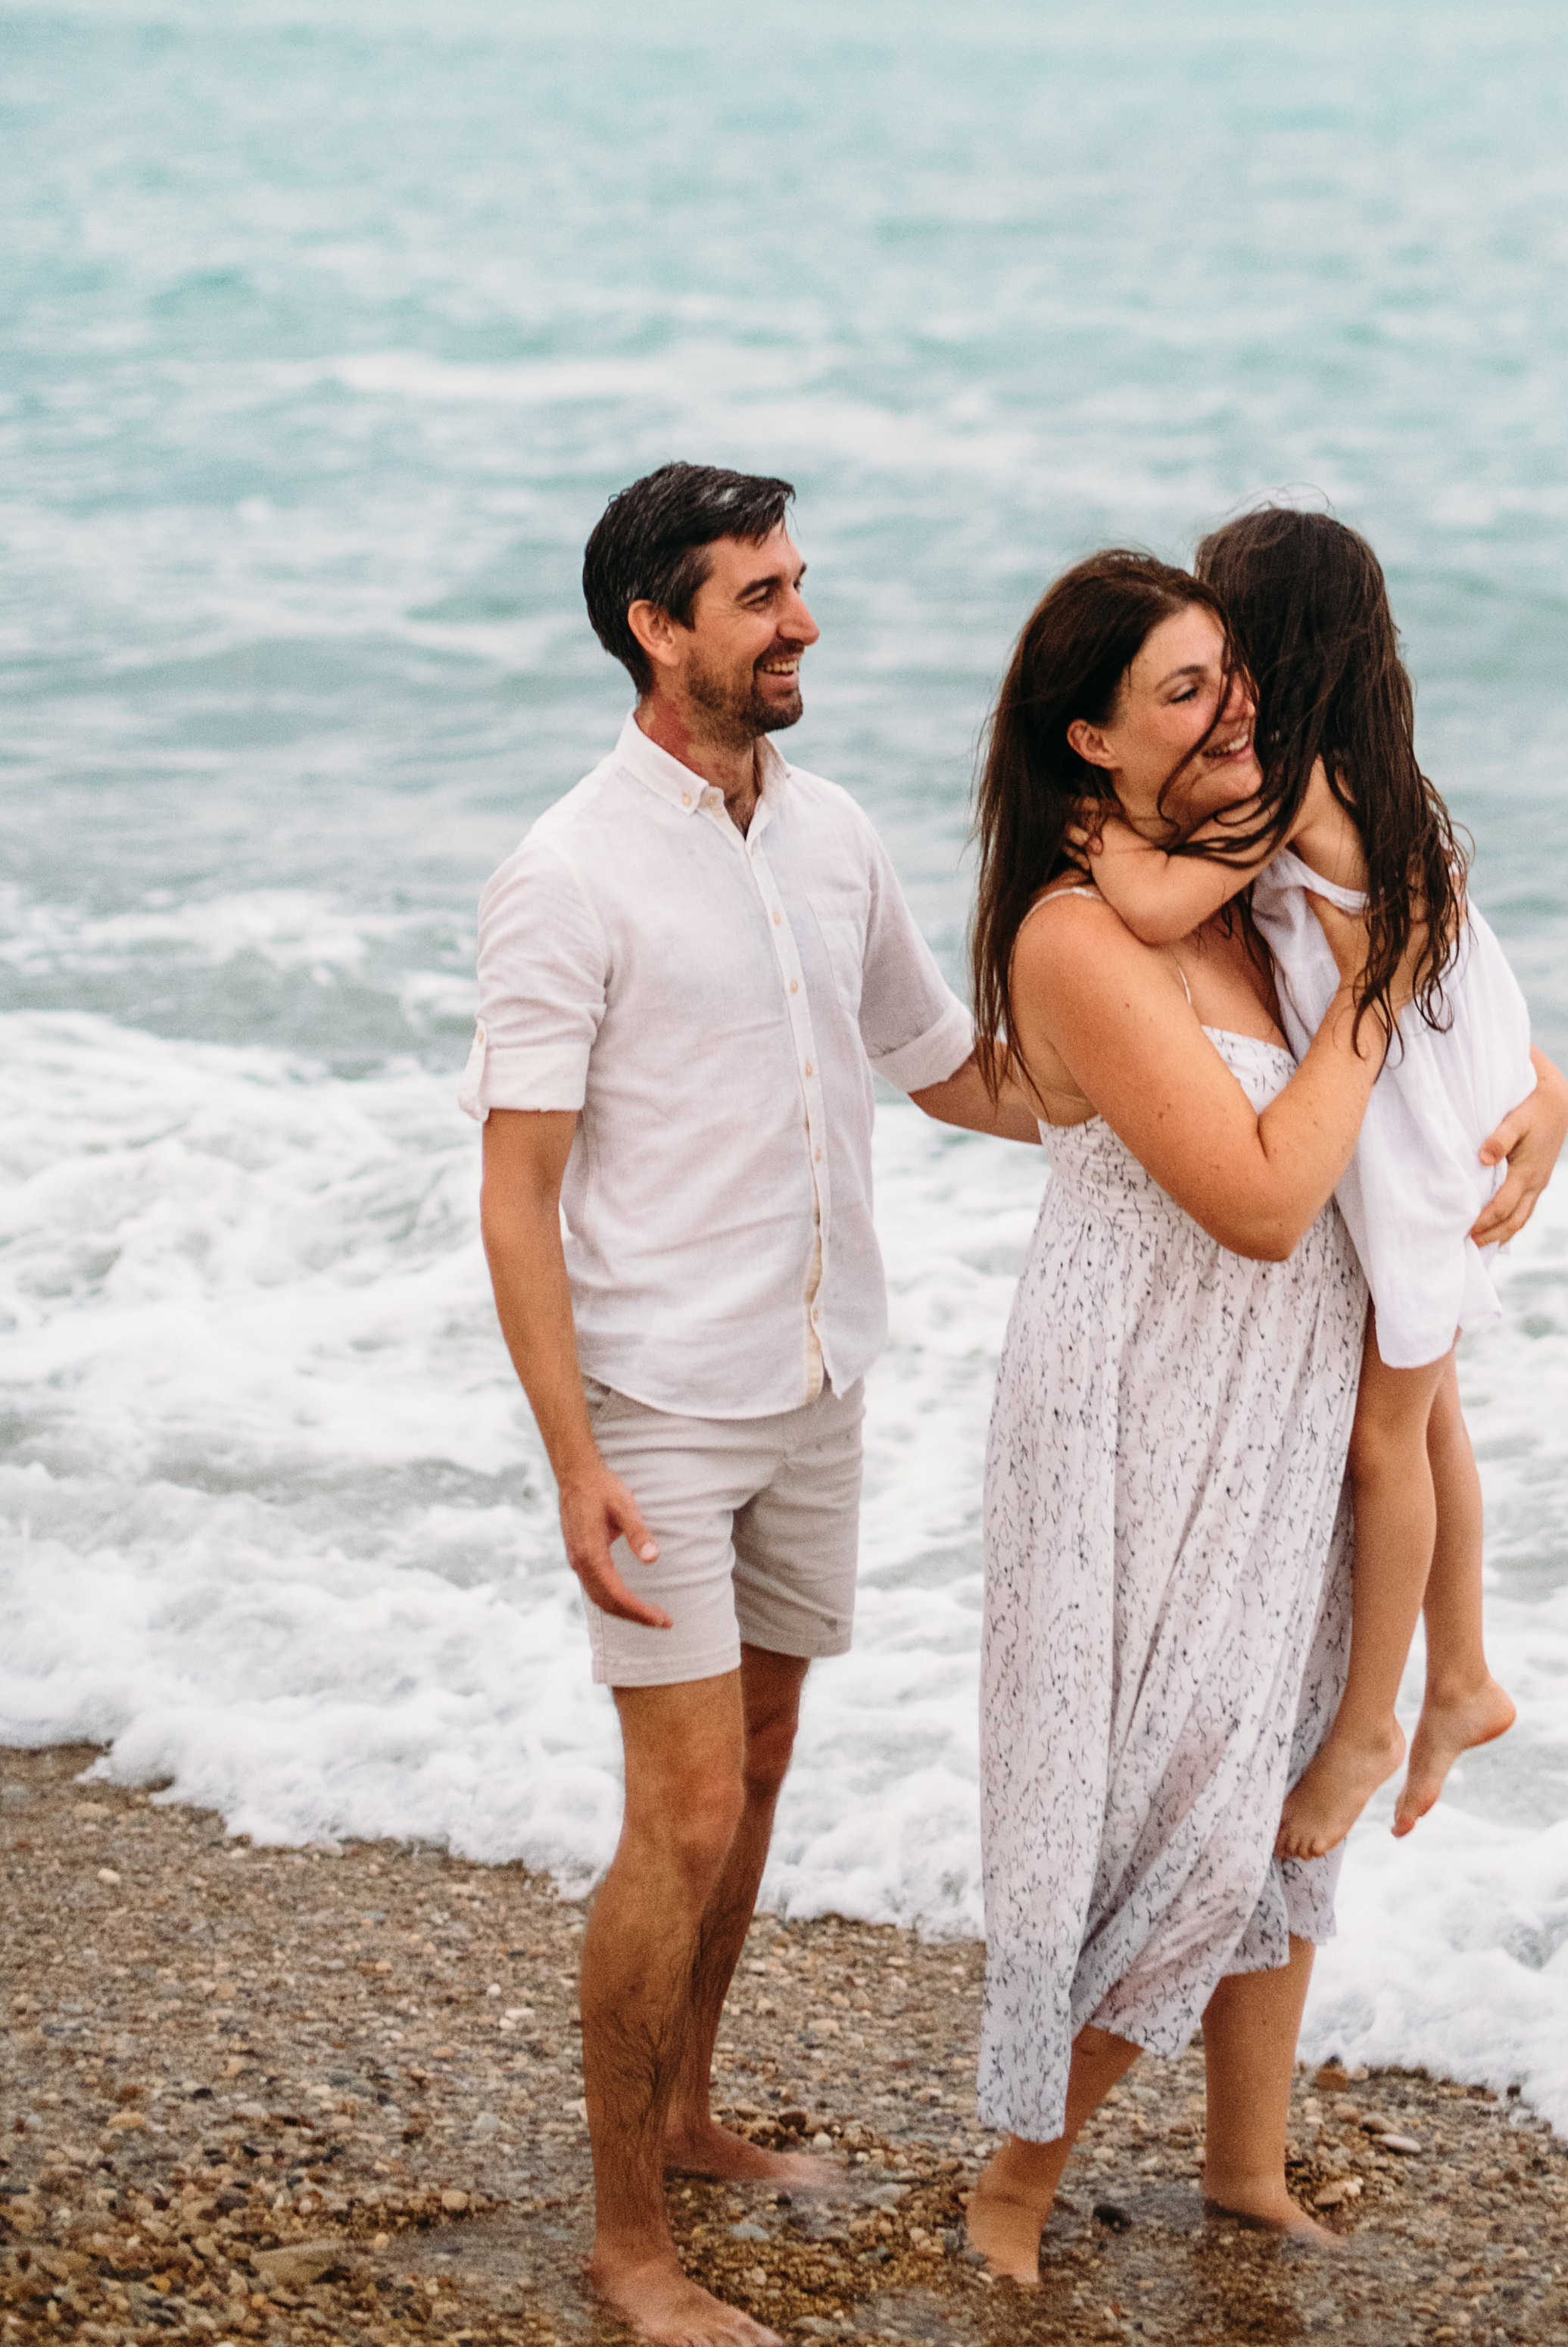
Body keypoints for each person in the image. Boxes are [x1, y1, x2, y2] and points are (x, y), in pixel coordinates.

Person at [463, 462, 1037, 2347]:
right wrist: (572, 1462)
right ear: (655, 623)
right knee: (683, 1809)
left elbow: (941, 1064)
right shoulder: (566, 870)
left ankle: (690, 2114)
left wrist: (1174, 1099)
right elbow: (516, 1188)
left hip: (816, 1379)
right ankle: (628, 2245)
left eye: (801, 583)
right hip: (661, 1407)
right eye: (760, 595)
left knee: (765, 1768)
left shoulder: (831, 831)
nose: (801, 622)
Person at [960, 550, 1568, 2285]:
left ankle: (1242, 2161)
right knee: (1180, 1800)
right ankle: (1012, 2183)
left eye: (1232, 677)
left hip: (1287, 1388)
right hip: (1135, 1405)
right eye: (1180, 694)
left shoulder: (1259, 892)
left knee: (1294, 1759)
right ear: (1088, 743)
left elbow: (1465, 1038)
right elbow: (1261, 1194)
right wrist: (1377, 1009)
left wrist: (1545, 1096)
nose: (1230, 711)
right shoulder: (1080, 934)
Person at [1079, 501, 1568, 1859]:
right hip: (1445, 1082)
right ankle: (1463, 1673)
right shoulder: (1375, 770)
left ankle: (1371, 1719)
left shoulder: (1290, 783)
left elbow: (1158, 910)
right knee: (1433, 1407)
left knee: (1384, 1436)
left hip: (1415, 1131)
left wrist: (1097, 842)